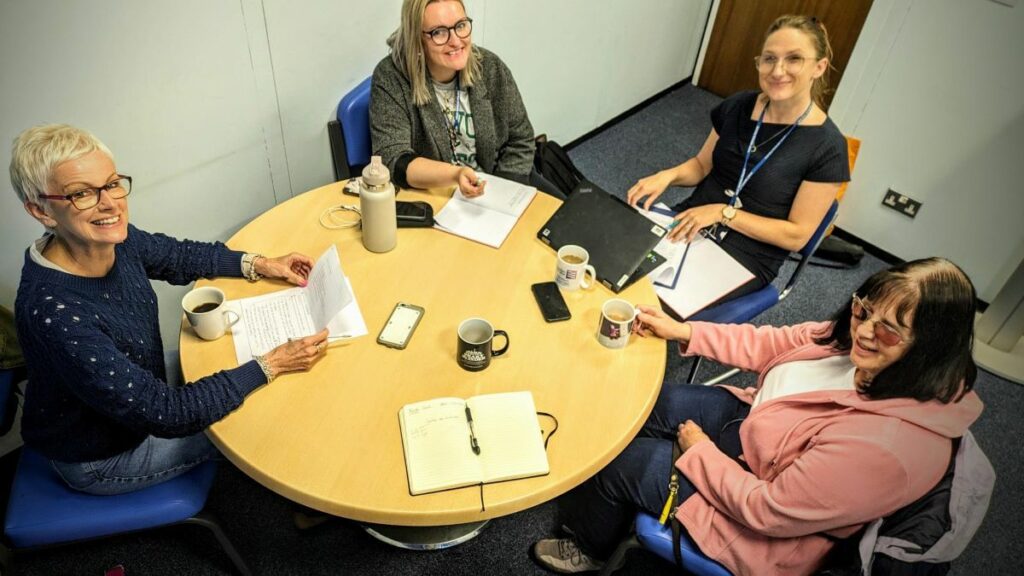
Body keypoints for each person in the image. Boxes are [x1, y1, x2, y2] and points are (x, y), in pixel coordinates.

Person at [533, 258, 985, 575]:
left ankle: (587, 547)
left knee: (621, 463)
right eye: (864, 308)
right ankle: (604, 505)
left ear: (927, 348)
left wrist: (702, 454)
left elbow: (767, 512)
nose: (864, 331)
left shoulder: (888, 451)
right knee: (639, 403)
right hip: (760, 430)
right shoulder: (861, 346)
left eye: (888, 329)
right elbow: (773, 343)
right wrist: (684, 331)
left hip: (760, 523)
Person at [10, 124, 329, 495]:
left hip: (142, 389)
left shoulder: (110, 238)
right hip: (104, 454)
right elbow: (168, 413)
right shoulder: (56, 313)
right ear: (41, 210)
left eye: (112, 183)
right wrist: (270, 363)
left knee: (262, 383)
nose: (110, 203)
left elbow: (178, 256)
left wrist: (260, 263)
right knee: (260, 421)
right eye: (82, 194)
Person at [628, 15, 849, 301]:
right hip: (690, 222)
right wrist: (667, 175)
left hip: (746, 254)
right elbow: (700, 166)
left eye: (794, 59)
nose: (778, 70)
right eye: (769, 59)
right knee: (617, 259)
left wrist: (724, 213)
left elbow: (797, 236)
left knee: (648, 301)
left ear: (818, 67)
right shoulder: (739, 105)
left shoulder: (827, 146)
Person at [370, 0, 559, 198]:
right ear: (417, 40)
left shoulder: (490, 67)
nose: (456, 41)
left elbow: (520, 138)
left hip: (496, 183)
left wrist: (503, 193)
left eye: (460, 26)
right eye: (439, 32)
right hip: (435, 194)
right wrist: (455, 174)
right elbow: (394, 160)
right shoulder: (391, 77)